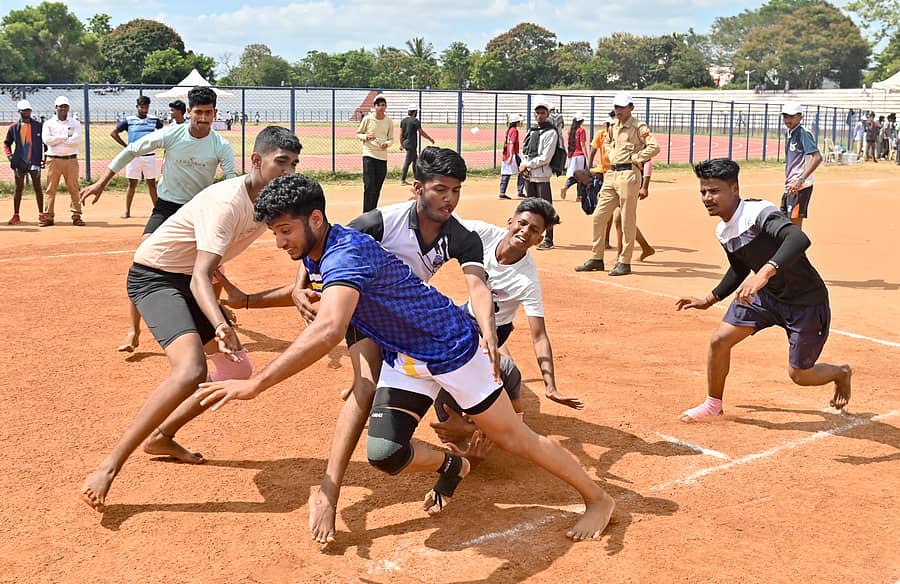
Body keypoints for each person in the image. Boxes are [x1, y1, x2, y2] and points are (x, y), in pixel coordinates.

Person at [194, 173, 616, 542]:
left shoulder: (345, 254)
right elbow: (317, 298)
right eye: (275, 232)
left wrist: (255, 384)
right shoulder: (318, 248)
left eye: (285, 230)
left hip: (452, 350)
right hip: (406, 355)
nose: (280, 241)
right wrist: (248, 301)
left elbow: (328, 329)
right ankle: (454, 464)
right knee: (385, 453)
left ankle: (599, 499)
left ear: (316, 220)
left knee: (514, 439)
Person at [216, 146, 500, 545]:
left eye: (456, 190)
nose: (449, 198)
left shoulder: (460, 236)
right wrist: (281, 291)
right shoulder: (376, 224)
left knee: (503, 385)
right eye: (441, 189)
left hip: (411, 325)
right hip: (365, 315)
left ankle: (478, 429)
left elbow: (478, 287)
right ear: (417, 188)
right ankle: (330, 491)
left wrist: (488, 328)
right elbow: (322, 251)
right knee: (364, 388)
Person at [79, 126, 302, 514]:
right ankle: (108, 466)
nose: (288, 170)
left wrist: (284, 286)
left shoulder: (268, 203)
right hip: (155, 276)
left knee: (236, 369)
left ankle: (162, 436)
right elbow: (201, 273)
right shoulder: (228, 203)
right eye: (280, 162)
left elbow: (213, 263)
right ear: (256, 161)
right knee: (189, 371)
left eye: (294, 163)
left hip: (186, 277)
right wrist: (219, 322)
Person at [674, 158, 851, 423]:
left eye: (714, 191)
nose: (707, 198)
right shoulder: (723, 231)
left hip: (804, 300)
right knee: (719, 341)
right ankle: (713, 404)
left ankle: (841, 373)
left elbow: (798, 238)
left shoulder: (758, 212)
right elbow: (738, 269)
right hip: (765, 297)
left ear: (734, 189)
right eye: (703, 191)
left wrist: (764, 274)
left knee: (800, 375)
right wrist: (709, 299)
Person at [81, 87, 238, 354]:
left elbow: (232, 179)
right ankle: (134, 330)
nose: (202, 118)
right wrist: (101, 182)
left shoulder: (221, 146)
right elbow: (132, 150)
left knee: (212, 269)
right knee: (143, 261)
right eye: (198, 112)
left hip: (200, 211)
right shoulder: (172, 134)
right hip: (167, 208)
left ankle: (214, 317)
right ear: (189, 112)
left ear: (215, 114)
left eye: (208, 113)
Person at [430, 198, 584, 450]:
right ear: (510, 222)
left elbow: (539, 336)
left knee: (468, 374)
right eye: (522, 224)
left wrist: (551, 386)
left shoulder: (526, 279)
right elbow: (446, 222)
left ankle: (493, 417)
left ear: (539, 240)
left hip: (496, 329)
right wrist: (421, 207)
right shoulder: (484, 233)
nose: (525, 231)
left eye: (534, 230)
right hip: (465, 315)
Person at [576, 92, 659, 276]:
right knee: (599, 215)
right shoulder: (612, 126)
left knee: (628, 219)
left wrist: (638, 157)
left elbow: (654, 146)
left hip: (629, 174)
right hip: (612, 174)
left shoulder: (639, 127)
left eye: (622, 107)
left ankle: (625, 261)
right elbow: (607, 142)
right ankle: (597, 258)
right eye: (616, 107)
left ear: (631, 107)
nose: (618, 110)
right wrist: (612, 156)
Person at [112, 96, 164, 219]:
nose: (144, 109)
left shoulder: (154, 120)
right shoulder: (129, 120)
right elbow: (114, 133)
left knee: (151, 184)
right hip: (134, 157)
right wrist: (126, 146)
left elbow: (163, 132)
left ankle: (157, 212)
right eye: (142, 107)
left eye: (146, 107)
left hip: (149, 156)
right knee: (132, 184)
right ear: (137, 107)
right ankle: (127, 211)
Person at [519, 96, 560, 250]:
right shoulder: (532, 130)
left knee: (545, 208)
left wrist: (527, 165)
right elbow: (526, 150)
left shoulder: (551, 133)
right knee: (530, 207)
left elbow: (545, 157)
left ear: (547, 114)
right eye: (537, 113)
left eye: (543, 112)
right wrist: (524, 165)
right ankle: (531, 235)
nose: (540, 115)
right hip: (530, 174)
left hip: (542, 175)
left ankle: (549, 238)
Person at [40, 96, 84, 227]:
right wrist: (65, 137)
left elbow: (75, 141)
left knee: (74, 188)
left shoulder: (75, 123)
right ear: (56, 108)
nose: (63, 109)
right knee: (50, 189)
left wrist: (57, 139)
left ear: (68, 108)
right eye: (61, 106)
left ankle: (77, 215)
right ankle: (48, 216)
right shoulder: (49, 123)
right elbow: (47, 141)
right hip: (53, 160)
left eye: (65, 106)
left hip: (71, 159)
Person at [780, 102, 822, 231]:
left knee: (794, 229)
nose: (788, 120)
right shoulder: (790, 133)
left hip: (800, 187)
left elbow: (817, 157)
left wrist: (800, 180)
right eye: (785, 116)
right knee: (785, 225)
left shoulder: (803, 133)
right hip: (790, 186)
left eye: (791, 117)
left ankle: (797, 251)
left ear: (800, 117)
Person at [3, 99, 45, 226]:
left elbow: (46, 142)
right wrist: (10, 157)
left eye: (28, 110)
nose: (26, 112)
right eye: (24, 110)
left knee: (37, 188)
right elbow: (6, 144)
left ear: (31, 110)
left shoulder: (38, 126)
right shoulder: (14, 128)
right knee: (18, 189)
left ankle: (41, 214)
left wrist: (45, 157)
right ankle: (16, 215)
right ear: (19, 111)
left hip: (35, 162)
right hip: (19, 163)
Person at [356, 94, 393, 212]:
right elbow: (358, 133)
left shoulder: (389, 121)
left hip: (382, 157)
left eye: (383, 105)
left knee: (377, 187)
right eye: (379, 105)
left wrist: (387, 144)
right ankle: (366, 212)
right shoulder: (368, 119)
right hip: (369, 154)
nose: (381, 107)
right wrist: (366, 136)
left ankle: (372, 212)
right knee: (369, 185)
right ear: (374, 107)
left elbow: (391, 138)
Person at [399, 104, 434, 186]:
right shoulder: (415, 121)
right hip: (411, 144)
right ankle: (403, 180)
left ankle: (417, 178)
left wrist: (402, 144)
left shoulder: (403, 121)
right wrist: (430, 138)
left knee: (415, 161)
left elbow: (401, 134)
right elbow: (421, 132)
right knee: (407, 162)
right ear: (415, 112)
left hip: (406, 143)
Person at [559, 113, 588, 201]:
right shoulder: (581, 130)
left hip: (572, 156)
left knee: (573, 175)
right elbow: (582, 145)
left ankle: (566, 186)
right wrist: (587, 156)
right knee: (581, 176)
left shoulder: (570, 131)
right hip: (579, 155)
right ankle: (579, 195)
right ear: (582, 121)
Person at [498, 114, 525, 200]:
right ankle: (520, 192)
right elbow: (512, 143)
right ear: (516, 122)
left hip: (507, 154)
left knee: (506, 173)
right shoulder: (514, 131)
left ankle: (502, 192)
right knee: (523, 171)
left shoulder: (509, 130)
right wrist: (511, 155)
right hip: (512, 154)